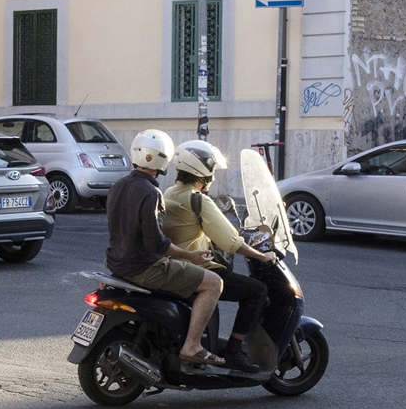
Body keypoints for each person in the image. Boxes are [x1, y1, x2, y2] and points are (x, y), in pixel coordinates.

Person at [102, 129, 228, 367]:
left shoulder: (119, 185)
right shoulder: (151, 192)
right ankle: (192, 346)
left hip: (116, 262)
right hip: (144, 267)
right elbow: (156, 244)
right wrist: (190, 255)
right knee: (214, 283)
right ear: (164, 159)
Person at [162, 140, 279, 373]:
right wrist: (261, 256)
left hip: (174, 264)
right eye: (212, 172)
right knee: (257, 291)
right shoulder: (198, 200)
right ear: (201, 173)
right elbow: (230, 242)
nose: (213, 178)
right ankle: (234, 351)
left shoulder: (170, 192)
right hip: (197, 266)